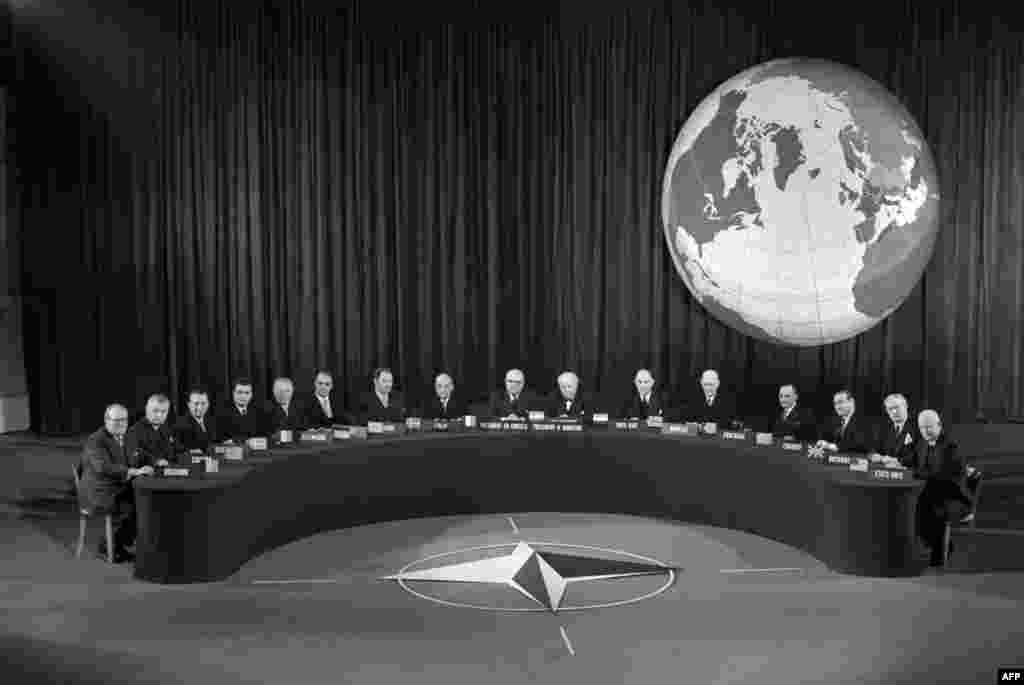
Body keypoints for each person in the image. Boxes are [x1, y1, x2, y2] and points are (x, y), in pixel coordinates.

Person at [78, 404, 154, 562]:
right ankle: (108, 546)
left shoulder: (126, 436)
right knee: (139, 506)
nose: (121, 424)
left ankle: (118, 544)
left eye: (124, 420)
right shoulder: (96, 440)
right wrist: (134, 472)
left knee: (148, 501)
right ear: (106, 420)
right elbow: (102, 467)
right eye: (116, 420)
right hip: (99, 492)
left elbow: (138, 454)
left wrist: (155, 461)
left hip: (118, 486)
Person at [911, 410, 973, 566]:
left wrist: (916, 473)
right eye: (922, 427)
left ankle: (938, 558)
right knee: (915, 505)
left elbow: (938, 475)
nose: (925, 431)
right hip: (931, 492)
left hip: (954, 496)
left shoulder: (950, 446)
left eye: (929, 427)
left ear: (939, 425)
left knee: (932, 510)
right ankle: (932, 545)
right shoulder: (922, 444)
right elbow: (915, 465)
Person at [124, 394, 183, 467]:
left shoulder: (167, 429)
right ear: (147, 409)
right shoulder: (134, 431)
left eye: (163, 412)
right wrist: (156, 461)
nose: (159, 415)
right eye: (155, 411)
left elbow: (177, 449)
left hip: (167, 472)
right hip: (144, 475)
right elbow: (134, 457)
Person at [815, 389, 872, 453]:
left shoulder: (864, 421)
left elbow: (858, 445)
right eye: (835, 404)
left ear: (851, 401)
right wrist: (823, 443)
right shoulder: (838, 423)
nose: (837, 407)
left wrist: (830, 446)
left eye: (840, 402)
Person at [871, 393, 918, 464]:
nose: (894, 412)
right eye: (890, 409)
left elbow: (919, 455)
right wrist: (874, 456)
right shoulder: (884, 428)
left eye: (897, 407)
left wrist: (896, 461)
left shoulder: (917, 427)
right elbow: (874, 449)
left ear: (906, 406)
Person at [172, 386, 220, 452]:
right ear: (189, 404)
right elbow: (177, 449)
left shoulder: (213, 421)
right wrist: (190, 451)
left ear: (208, 404)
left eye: (203, 403)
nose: (200, 408)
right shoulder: (179, 425)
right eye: (196, 403)